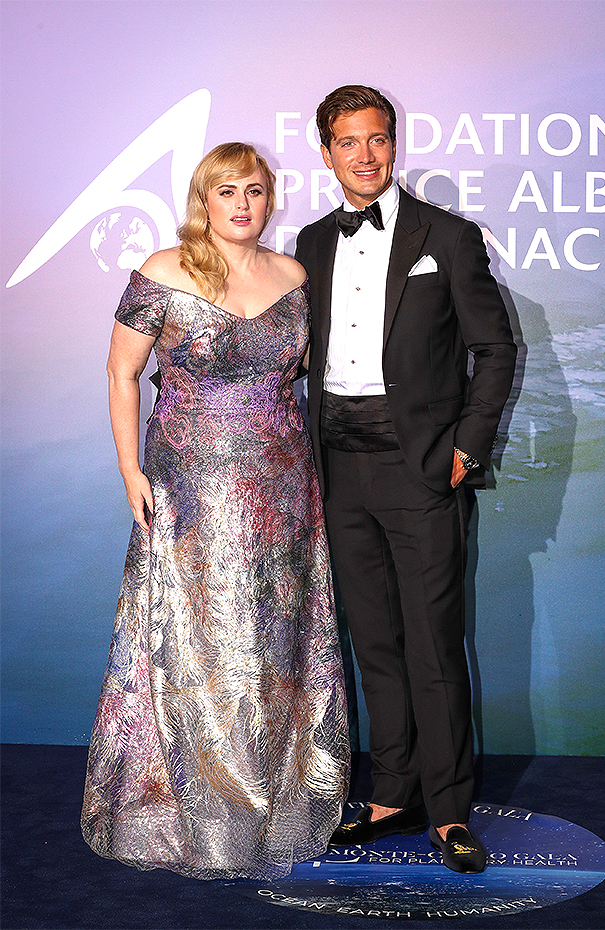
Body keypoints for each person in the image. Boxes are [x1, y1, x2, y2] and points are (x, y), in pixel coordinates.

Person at [81, 143, 350, 881]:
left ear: (271, 199)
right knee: (199, 639)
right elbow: (122, 372)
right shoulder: (164, 271)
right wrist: (130, 468)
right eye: (227, 191)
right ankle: (196, 811)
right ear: (204, 199)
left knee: (277, 638)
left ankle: (279, 799)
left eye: (254, 191)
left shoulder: (294, 277)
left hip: (284, 487)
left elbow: (304, 373)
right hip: (191, 489)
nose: (242, 204)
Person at [295, 86, 517, 874]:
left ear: (395, 143)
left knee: (432, 643)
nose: (365, 155)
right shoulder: (310, 242)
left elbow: (496, 349)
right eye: (348, 141)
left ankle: (449, 809)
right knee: (376, 641)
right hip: (338, 467)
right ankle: (394, 793)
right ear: (326, 151)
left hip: (421, 466)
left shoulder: (447, 237)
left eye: (377, 138)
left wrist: (468, 445)